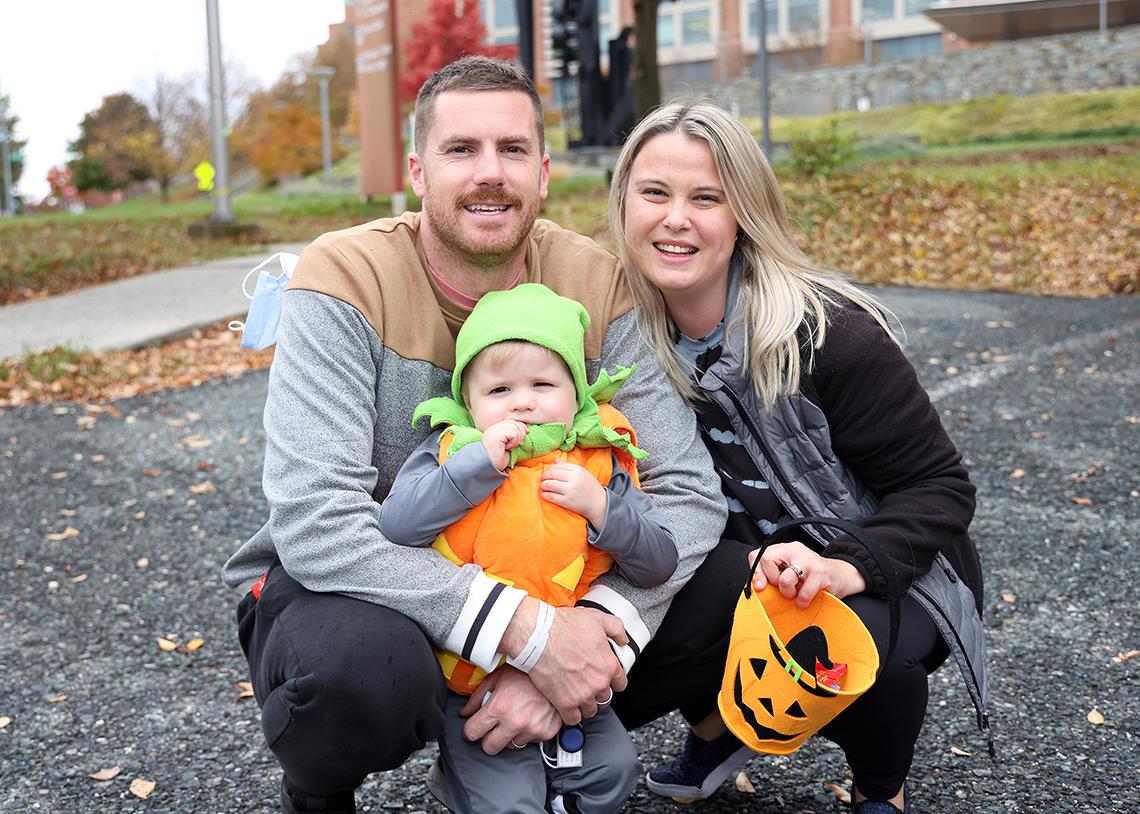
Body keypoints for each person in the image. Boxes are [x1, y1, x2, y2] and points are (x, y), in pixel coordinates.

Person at [222, 58, 725, 814]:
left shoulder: (593, 283)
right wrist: (522, 635)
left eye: (513, 150)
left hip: (554, 568)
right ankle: (318, 787)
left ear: (545, 172)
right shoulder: (344, 277)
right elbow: (318, 522)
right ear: (420, 171)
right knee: (357, 671)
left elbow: (689, 493)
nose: (490, 173)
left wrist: (585, 638)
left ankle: (538, 729)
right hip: (369, 587)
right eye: (463, 150)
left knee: (735, 585)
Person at [604, 102, 990, 814]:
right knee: (621, 643)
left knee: (855, 649)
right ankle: (719, 728)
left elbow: (940, 488)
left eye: (706, 198)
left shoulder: (829, 333)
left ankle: (881, 786)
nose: (675, 218)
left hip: (881, 568)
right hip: (736, 566)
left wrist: (847, 566)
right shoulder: (616, 337)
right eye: (655, 193)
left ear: (745, 211)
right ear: (623, 201)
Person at [379, 282, 678, 812]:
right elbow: (397, 527)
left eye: (543, 384)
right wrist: (473, 468)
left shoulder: (600, 463)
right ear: (468, 404)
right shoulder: (453, 450)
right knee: (508, 797)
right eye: (498, 392)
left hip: (569, 663)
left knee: (613, 773)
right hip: (470, 674)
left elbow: (659, 562)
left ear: (578, 393)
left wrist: (604, 510)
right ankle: (463, 780)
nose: (522, 402)